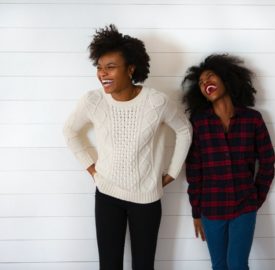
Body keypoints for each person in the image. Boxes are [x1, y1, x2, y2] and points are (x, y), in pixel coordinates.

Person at [63, 24, 192, 270]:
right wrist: (92, 169)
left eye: (111, 67)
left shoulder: (157, 102)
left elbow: (184, 130)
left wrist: (173, 172)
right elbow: (70, 131)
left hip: (147, 198)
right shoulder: (93, 100)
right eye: (99, 68)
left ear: (131, 68)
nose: (103, 74)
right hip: (107, 194)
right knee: (109, 265)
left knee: (144, 266)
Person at [182, 54, 275, 270]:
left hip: (244, 206)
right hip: (211, 209)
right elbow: (194, 172)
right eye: (201, 82)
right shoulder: (199, 124)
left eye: (210, 77)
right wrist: (196, 212)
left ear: (226, 79)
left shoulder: (253, 119)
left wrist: (255, 198)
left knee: (237, 264)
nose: (206, 83)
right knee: (219, 266)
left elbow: (268, 161)